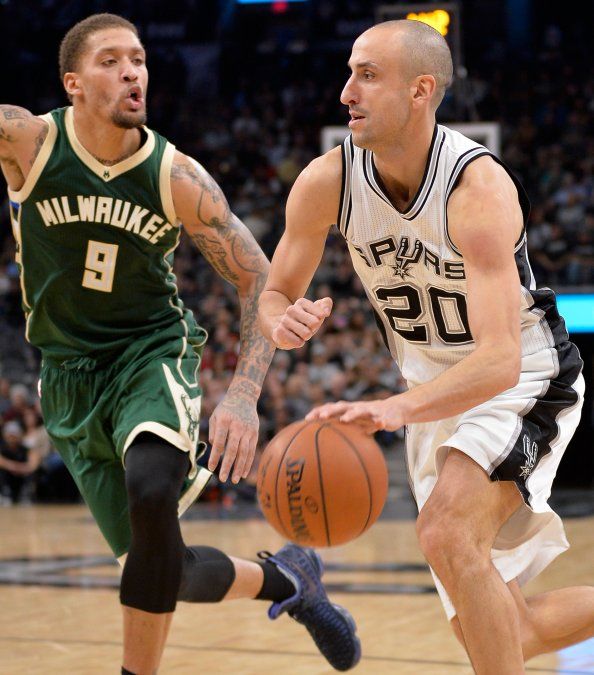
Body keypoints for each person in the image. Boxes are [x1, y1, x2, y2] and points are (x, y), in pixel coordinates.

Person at [0, 13, 359, 674]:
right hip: (67, 376)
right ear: (73, 83)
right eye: (111, 61)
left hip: (149, 354)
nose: (132, 72)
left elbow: (258, 280)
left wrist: (242, 396)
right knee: (166, 567)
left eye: (138, 59)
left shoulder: (176, 177)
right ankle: (290, 579)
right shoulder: (27, 142)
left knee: (150, 487)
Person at [259, 19, 594, 675]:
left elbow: (498, 360)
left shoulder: (477, 188)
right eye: (350, 72)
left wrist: (393, 409)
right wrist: (281, 321)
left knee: (445, 530)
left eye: (367, 75)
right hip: (431, 395)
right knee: (505, 632)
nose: (346, 92)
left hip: (524, 379)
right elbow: (274, 293)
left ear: (420, 91)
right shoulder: (327, 180)